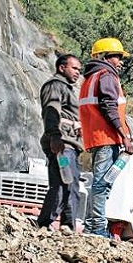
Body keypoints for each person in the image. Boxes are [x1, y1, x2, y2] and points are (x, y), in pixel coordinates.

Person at [79, 38, 133, 238]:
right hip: (107, 137)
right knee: (101, 184)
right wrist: (124, 136)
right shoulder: (107, 76)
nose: (120, 61)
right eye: (117, 56)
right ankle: (98, 229)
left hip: (96, 138)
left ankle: (93, 225)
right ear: (104, 57)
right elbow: (110, 108)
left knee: (100, 183)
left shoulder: (89, 78)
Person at [37, 54, 83, 234]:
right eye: (74, 68)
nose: (78, 72)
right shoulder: (55, 86)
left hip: (70, 144)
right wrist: (55, 136)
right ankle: (45, 223)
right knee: (63, 183)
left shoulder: (68, 89)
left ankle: (67, 225)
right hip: (62, 146)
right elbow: (51, 111)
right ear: (61, 68)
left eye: (79, 69)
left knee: (70, 184)